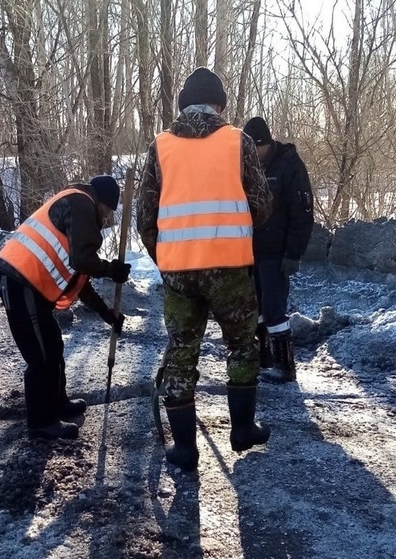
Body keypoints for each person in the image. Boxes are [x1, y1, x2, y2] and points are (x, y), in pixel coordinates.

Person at [137, 67, 273, 471]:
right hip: (230, 266)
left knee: (181, 351)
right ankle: (243, 430)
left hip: (179, 271)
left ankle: (185, 450)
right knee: (242, 345)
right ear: (220, 105)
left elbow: (146, 216)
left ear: (182, 106)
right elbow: (261, 204)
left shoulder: (159, 146)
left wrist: (166, 257)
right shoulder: (239, 141)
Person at [0, 175, 131, 440]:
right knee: (42, 355)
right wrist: (110, 269)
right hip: (18, 279)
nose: (105, 221)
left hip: (28, 283)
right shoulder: (81, 204)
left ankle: (57, 403)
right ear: (101, 202)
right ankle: (41, 422)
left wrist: (106, 314)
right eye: (107, 213)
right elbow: (82, 260)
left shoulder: (78, 210)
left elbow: (80, 280)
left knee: (53, 345)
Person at [242, 116, 314, 383]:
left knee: (273, 309)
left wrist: (293, 253)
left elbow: (303, 212)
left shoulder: (289, 166)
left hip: (277, 253)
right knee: (256, 308)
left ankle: (285, 365)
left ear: (266, 144)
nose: (252, 156)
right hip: (250, 251)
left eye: (255, 150)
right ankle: (264, 357)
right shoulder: (247, 165)